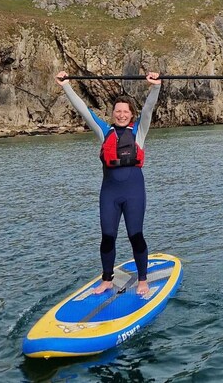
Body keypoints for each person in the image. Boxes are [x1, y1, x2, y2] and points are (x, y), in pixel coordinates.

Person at [55, 70, 162, 296]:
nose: (121, 115)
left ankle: (143, 280)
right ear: (112, 113)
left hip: (133, 193)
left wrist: (156, 87)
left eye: (125, 111)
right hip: (110, 194)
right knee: (107, 237)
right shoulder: (104, 132)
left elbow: (148, 109)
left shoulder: (139, 131)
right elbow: (83, 110)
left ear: (131, 114)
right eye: (118, 111)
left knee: (135, 235)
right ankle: (107, 280)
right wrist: (66, 86)